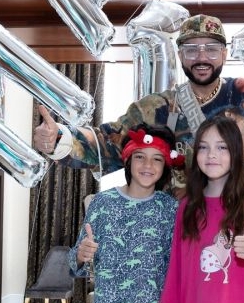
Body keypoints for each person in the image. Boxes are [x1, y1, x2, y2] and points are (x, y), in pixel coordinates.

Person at [34, 14, 244, 194]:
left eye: (211, 49)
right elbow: (109, 143)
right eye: (191, 49)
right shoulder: (155, 107)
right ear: (180, 56)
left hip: (241, 225)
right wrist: (60, 139)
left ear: (225, 53)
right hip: (178, 229)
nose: (201, 57)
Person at [160, 116, 244, 303]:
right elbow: (177, 271)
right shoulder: (187, 206)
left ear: (235, 152)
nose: (211, 155)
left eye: (221, 147)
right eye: (203, 147)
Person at [68, 124, 181, 303]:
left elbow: (179, 267)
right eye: (140, 156)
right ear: (128, 160)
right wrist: (81, 255)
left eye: (157, 159)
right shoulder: (102, 202)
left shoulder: (171, 209)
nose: (148, 165)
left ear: (165, 165)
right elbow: (75, 263)